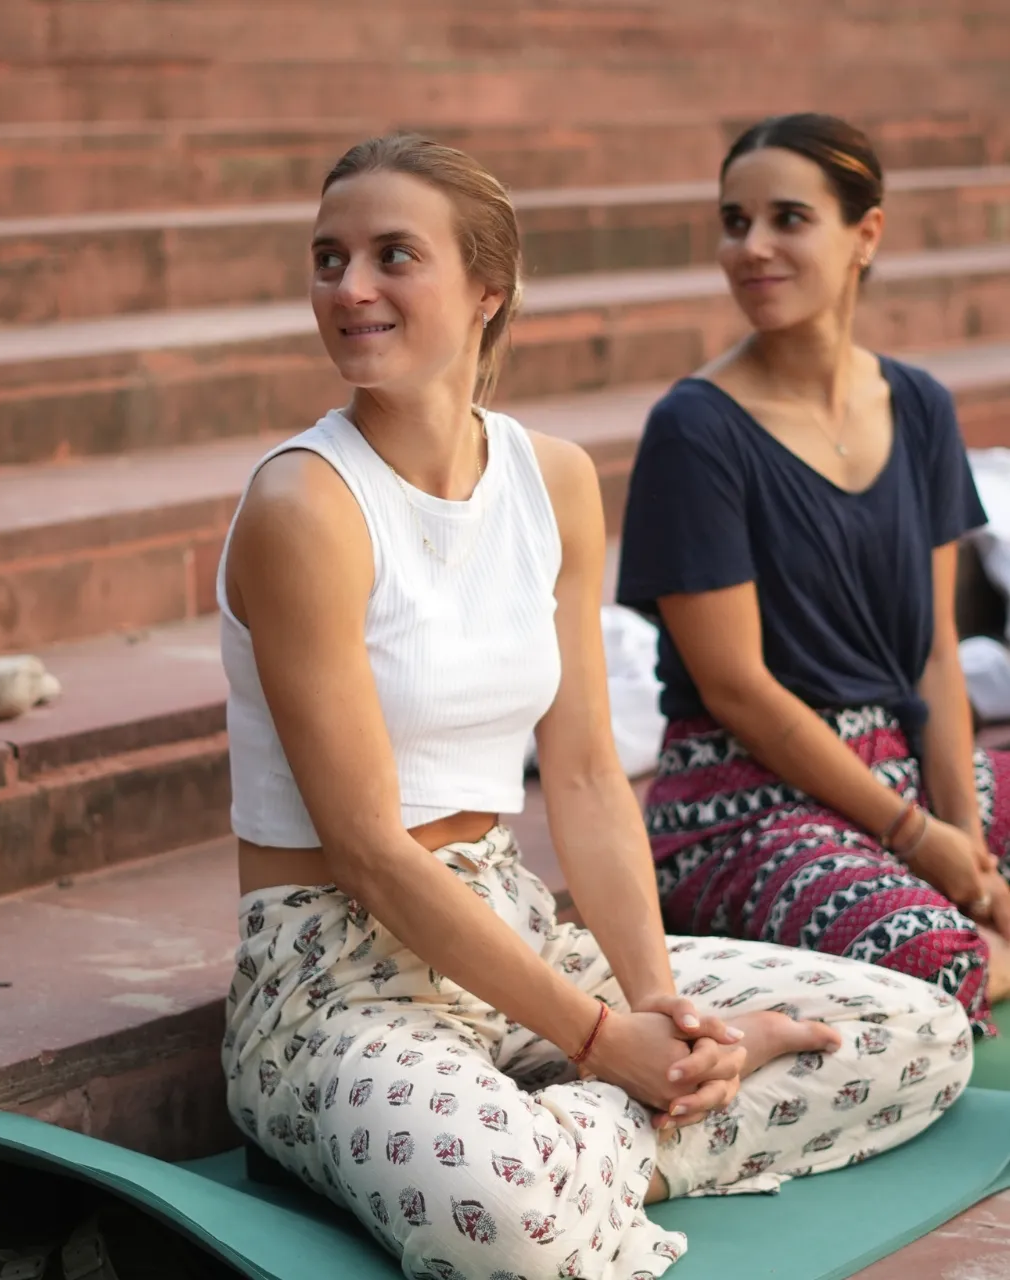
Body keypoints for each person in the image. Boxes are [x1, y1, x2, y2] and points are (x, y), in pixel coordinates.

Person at [218, 133, 971, 1280]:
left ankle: (594, 1128)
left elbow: (579, 777)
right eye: (328, 258)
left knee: (915, 1031)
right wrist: (598, 1040)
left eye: (391, 255)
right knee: (501, 1215)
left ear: (487, 288)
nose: (349, 287)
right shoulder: (304, 503)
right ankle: (597, 1137)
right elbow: (368, 851)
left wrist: (656, 1007)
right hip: (338, 981)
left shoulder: (551, 477)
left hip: (518, 929)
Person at [616, 112, 1010, 1041]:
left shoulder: (918, 405)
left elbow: (935, 656)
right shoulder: (695, 430)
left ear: (865, 233)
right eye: (733, 221)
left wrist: (970, 847)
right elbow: (740, 690)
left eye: (787, 218)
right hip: (743, 803)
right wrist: (928, 846)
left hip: (901, 769)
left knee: (963, 895)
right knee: (935, 959)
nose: (750, 248)